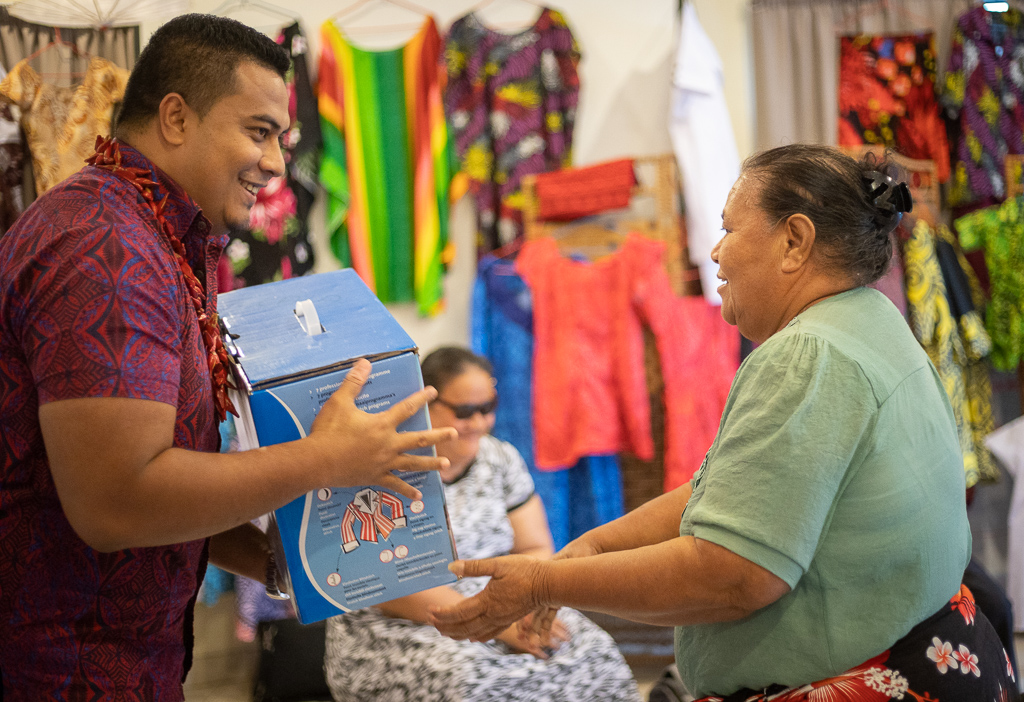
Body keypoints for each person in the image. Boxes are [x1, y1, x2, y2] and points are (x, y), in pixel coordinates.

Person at [429, 145, 1019, 700]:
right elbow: (730, 492)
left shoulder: (808, 355)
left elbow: (735, 576)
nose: (714, 253)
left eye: (729, 230)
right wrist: (588, 550)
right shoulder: (869, 319)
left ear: (794, 241)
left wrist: (545, 584)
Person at [0, 15, 454, 701]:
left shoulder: (159, 237)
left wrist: (288, 559)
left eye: (281, 138)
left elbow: (162, 482)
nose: (275, 163)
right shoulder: (106, 249)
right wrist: (326, 459)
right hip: (60, 670)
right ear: (176, 117)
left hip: (127, 660)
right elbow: (115, 501)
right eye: (258, 131)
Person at [324, 347, 642, 702]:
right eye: (464, 412)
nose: (478, 423)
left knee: (596, 653)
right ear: (424, 402)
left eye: (487, 409)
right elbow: (384, 583)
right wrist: (496, 623)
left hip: (505, 603)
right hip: (399, 622)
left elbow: (534, 547)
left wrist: (525, 606)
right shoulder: (381, 468)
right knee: (476, 682)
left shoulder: (500, 458)